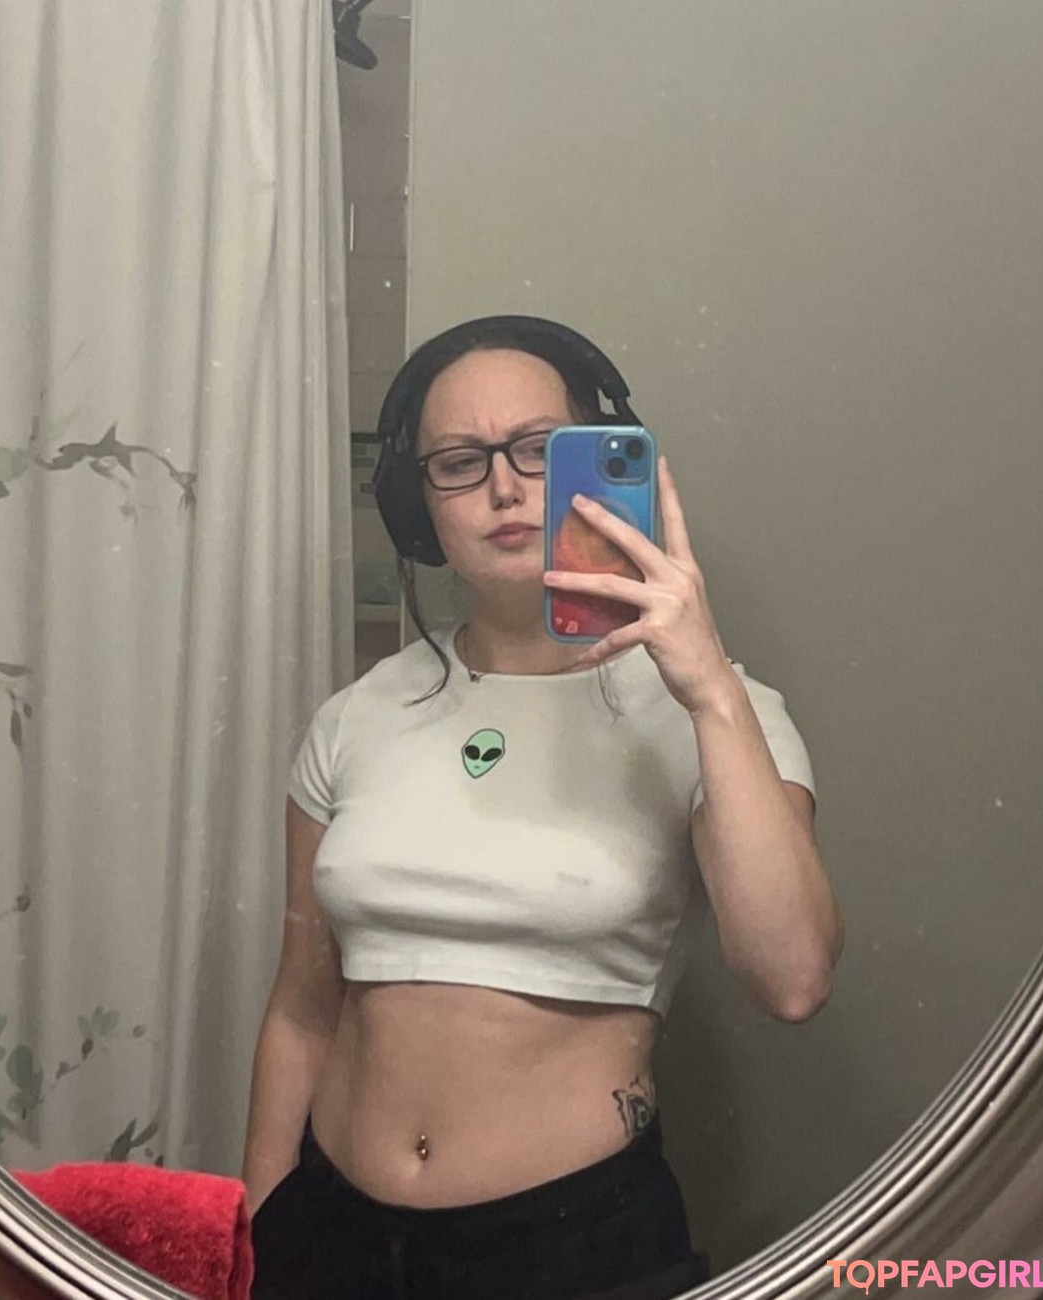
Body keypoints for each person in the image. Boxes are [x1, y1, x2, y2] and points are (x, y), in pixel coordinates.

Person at [243, 316, 844, 1300]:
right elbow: (303, 1010)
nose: (504, 487)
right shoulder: (356, 719)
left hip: (575, 1250)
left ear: (598, 464)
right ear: (416, 506)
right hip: (327, 1234)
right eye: (458, 462)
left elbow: (794, 976)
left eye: (539, 449)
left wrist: (707, 689)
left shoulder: (713, 712)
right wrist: (257, 1234)